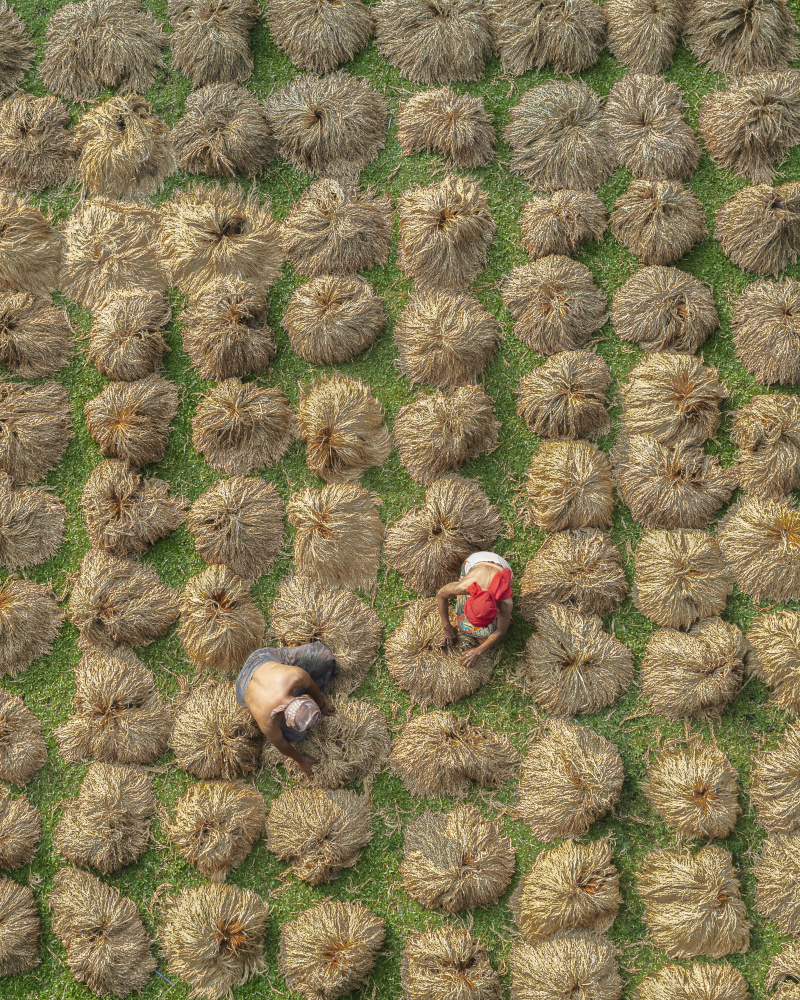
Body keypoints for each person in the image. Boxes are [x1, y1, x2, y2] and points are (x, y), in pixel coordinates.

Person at [235, 641, 337, 776]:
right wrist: (301, 760)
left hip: (262, 659)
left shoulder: (296, 676)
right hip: (243, 686)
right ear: (287, 722)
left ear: (305, 696)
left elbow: (311, 685)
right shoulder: (268, 721)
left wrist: (322, 704)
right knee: (296, 735)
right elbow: (280, 743)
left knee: (324, 658)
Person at [437, 551, 513, 669]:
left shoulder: (506, 602)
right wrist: (446, 627)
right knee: (467, 626)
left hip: (503, 567)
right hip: (477, 559)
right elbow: (441, 594)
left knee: (480, 632)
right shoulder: (465, 586)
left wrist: (478, 651)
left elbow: (500, 632)